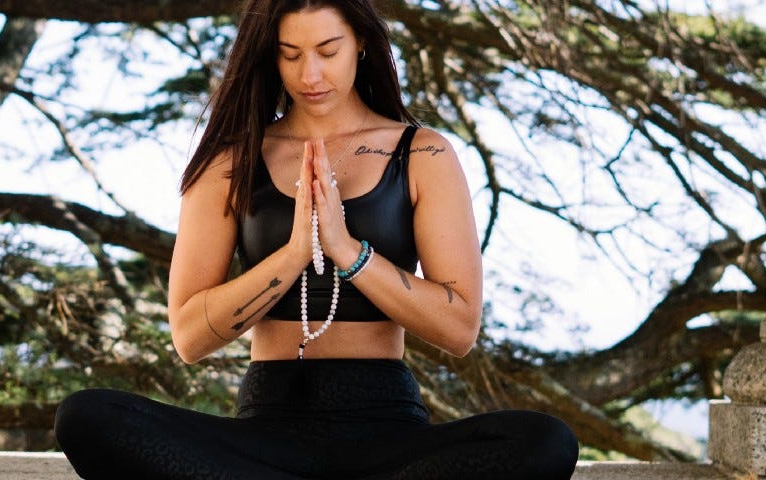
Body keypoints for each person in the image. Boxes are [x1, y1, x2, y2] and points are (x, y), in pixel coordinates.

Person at [53, 1, 579, 478]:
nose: (310, 74)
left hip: (386, 430)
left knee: (544, 442)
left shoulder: (423, 154)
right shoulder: (231, 159)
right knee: (88, 416)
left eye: (328, 50)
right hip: (266, 430)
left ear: (362, 43)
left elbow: (459, 328)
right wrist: (294, 254)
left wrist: (347, 251)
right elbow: (190, 338)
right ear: (269, 59)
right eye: (290, 55)